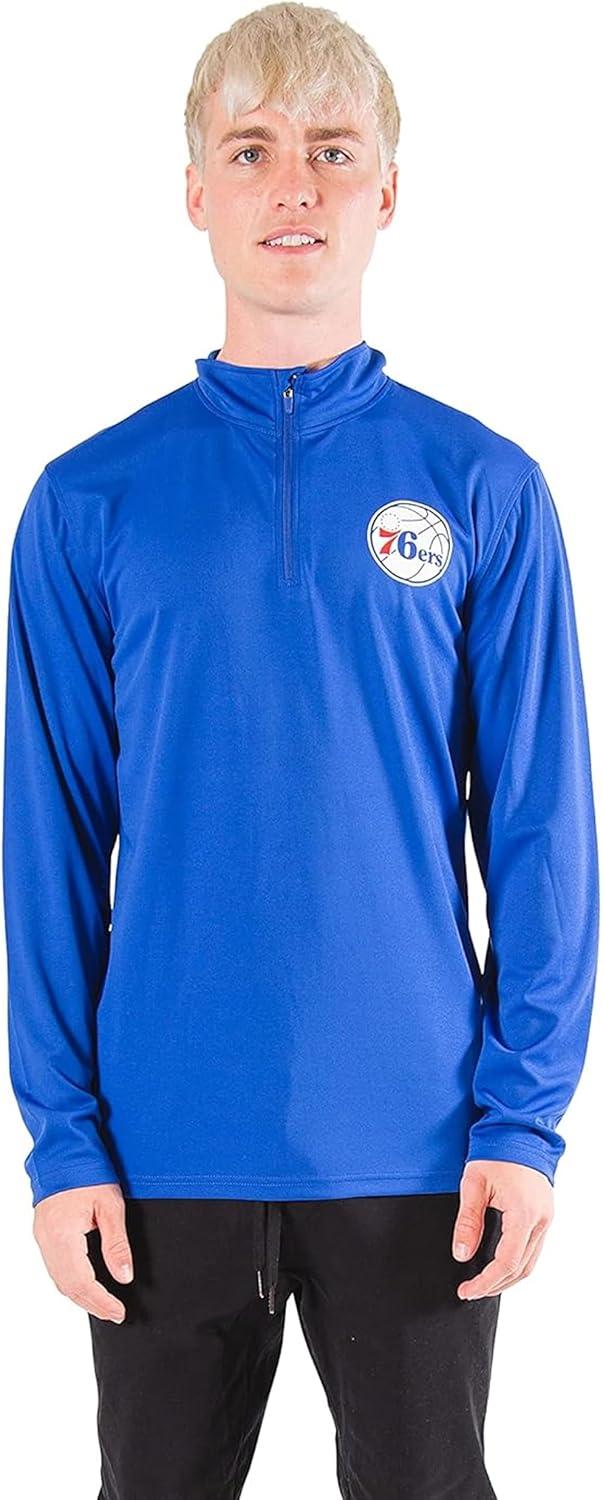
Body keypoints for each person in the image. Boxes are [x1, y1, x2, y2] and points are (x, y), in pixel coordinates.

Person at [3, 4, 599, 1498]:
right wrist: (63, 1141)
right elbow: (46, 843)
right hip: (159, 1149)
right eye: (252, 149)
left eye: (333, 151)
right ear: (192, 191)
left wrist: (524, 1121)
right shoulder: (88, 501)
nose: (294, 187)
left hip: (421, 1146)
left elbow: (543, 829)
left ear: (389, 190)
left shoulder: (485, 487)